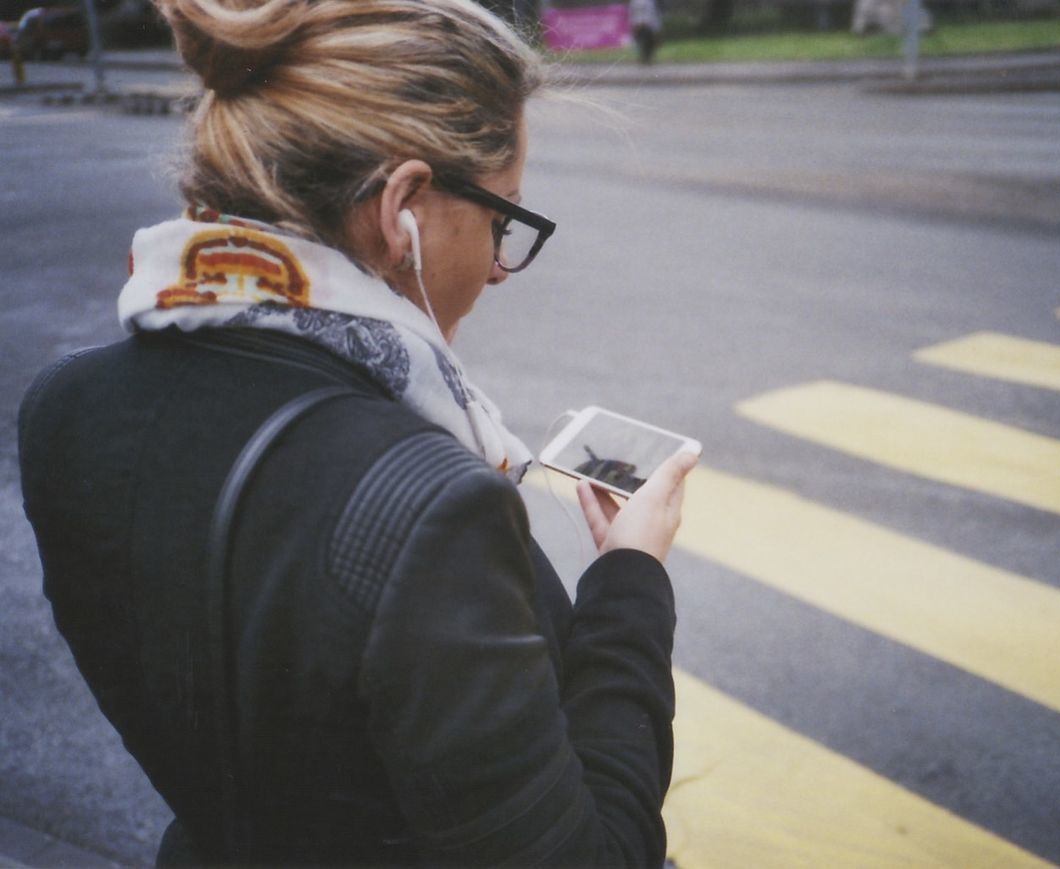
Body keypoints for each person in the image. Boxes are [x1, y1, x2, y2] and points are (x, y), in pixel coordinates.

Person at [17, 0, 698, 864]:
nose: (498, 265)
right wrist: (631, 580)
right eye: (502, 216)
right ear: (404, 206)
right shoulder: (429, 510)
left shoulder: (64, 408)